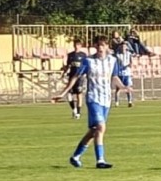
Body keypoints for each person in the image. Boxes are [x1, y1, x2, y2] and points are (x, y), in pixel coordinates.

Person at [52, 36, 128, 169]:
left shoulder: (113, 60)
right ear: (95, 46)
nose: (100, 48)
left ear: (107, 47)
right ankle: (100, 160)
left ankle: (75, 156)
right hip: (93, 98)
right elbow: (76, 77)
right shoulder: (89, 61)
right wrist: (63, 93)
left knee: (94, 131)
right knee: (101, 127)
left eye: (103, 45)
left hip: (106, 99)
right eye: (98, 45)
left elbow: (114, 77)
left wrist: (123, 87)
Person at [62, 38, 87, 118]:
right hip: (71, 77)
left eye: (78, 45)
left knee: (79, 94)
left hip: (80, 78)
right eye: (75, 45)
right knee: (69, 95)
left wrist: (85, 74)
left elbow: (86, 66)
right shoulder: (70, 55)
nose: (76, 46)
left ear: (80, 46)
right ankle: (74, 109)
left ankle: (78, 113)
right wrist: (64, 70)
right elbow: (68, 66)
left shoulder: (83, 55)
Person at [111, 31, 135, 106]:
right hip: (119, 73)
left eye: (125, 46)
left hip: (127, 73)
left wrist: (128, 65)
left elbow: (131, 63)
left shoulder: (129, 54)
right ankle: (117, 102)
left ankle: (129, 101)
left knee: (128, 87)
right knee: (118, 88)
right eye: (122, 46)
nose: (123, 47)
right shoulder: (117, 55)